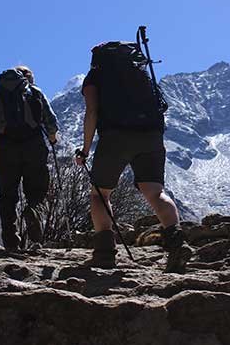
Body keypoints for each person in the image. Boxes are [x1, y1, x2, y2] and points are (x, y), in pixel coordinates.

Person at [75, 40, 192, 273]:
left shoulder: (95, 77)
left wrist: (86, 149)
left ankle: (105, 253)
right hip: (151, 136)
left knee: (100, 194)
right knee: (155, 192)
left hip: (115, 137)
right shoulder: (140, 74)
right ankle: (177, 243)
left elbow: (92, 113)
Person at [0, 65, 58, 250]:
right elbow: (51, 120)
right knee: (37, 190)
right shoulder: (35, 92)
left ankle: (10, 239)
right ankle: (33, 212)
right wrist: (53, 137)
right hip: (34, 146)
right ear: (28, 78)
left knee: (7, 195)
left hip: (6, 149)